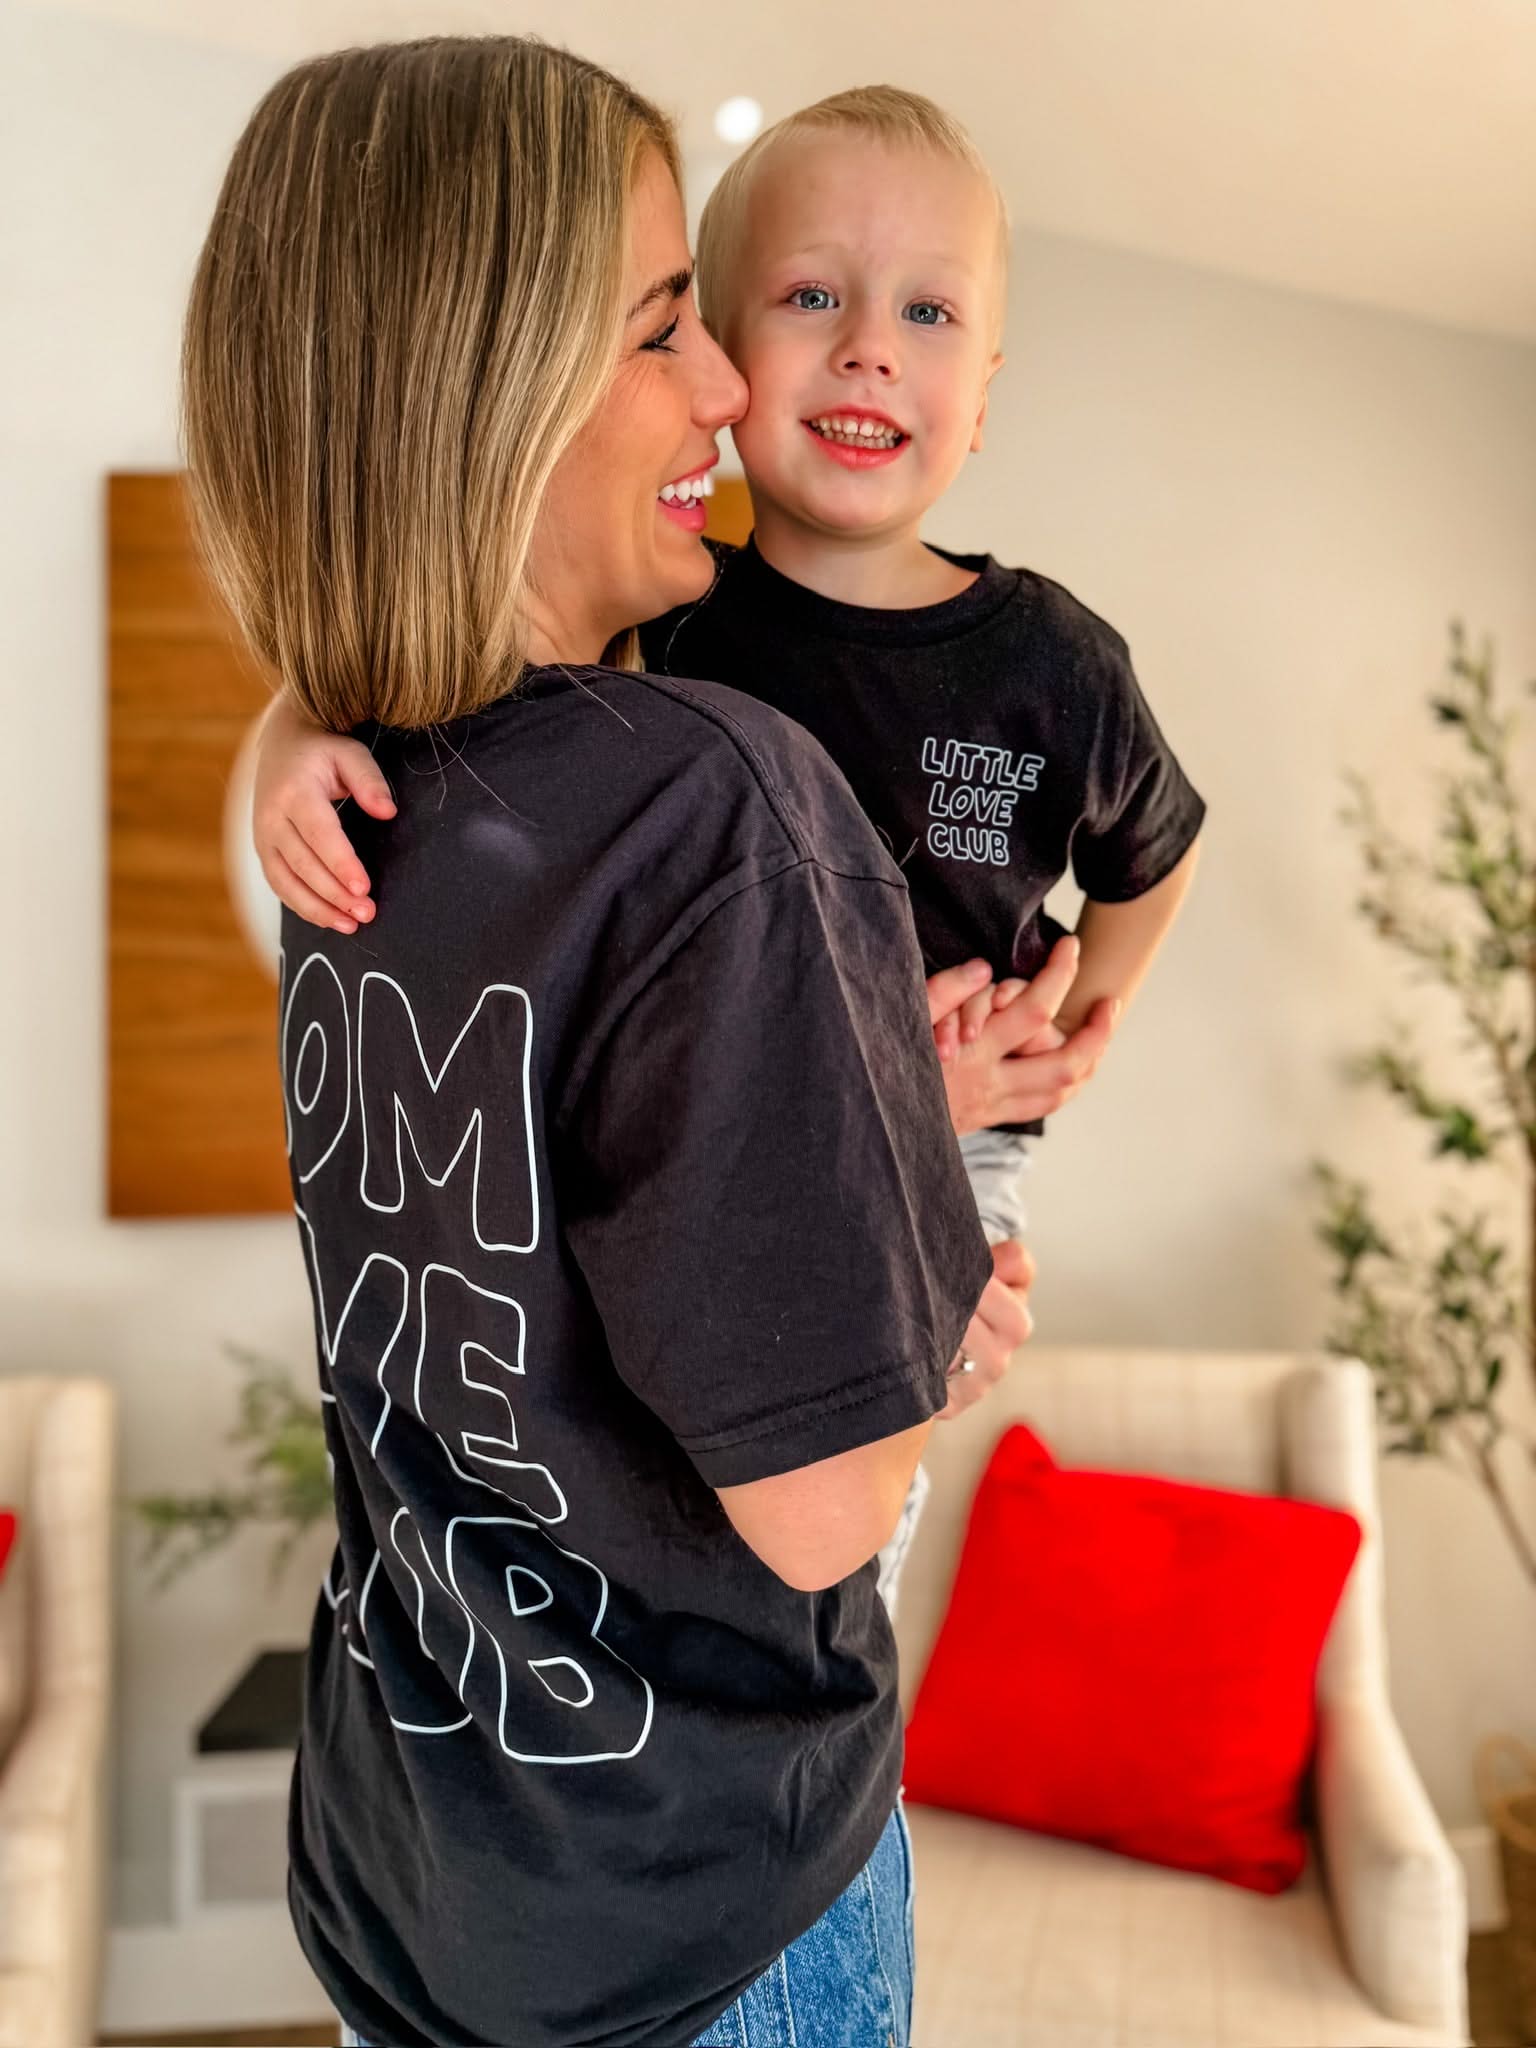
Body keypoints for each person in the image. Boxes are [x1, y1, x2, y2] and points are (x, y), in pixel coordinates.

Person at [182, 37, 1032, 2048]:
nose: (736, 386)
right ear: (488, 391)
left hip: (416, 1867)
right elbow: (827, 1505)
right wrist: (918, 1296)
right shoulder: (716, 807)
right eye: (668, 327)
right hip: (691, 1919)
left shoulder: (339, 812)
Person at [251, 84, 1205, 1606]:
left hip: (961, 1135)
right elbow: (430, 629)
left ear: (989, 389)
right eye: (808, 298)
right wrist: (289, 728)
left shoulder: (1051, 661)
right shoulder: (679, 614)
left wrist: (1084, 1021)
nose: (871, 347)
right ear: (737, 357)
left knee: (832, 1568)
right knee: (759, 1507)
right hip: (827, 1128)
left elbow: (1157, 852)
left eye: (929, 313)